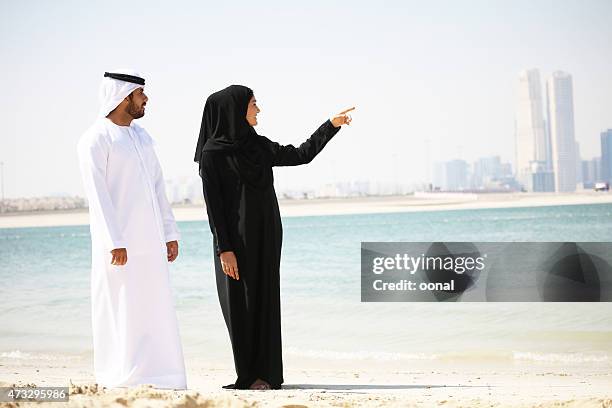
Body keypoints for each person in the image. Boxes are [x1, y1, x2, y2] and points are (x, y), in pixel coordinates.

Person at [194, 85, 353, 390]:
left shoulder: (258, 146)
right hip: (234, 244)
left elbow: (301, 155)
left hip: (267, 237)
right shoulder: (212, 155)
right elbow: (214, 207)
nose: (259, 109)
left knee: (265, 301)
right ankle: (248, 375)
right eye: (253, 104)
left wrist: (331, 125)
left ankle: (267, 374)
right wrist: (224, 248)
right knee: (240, 306)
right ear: (235, 110)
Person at [77, 69, 186, 389]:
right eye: (141, 94)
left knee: (155, 308)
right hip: (118, 246)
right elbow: (97, 196)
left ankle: (162, 376)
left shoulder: (142, 137)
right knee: (120, 308)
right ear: (124, 96)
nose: (146, 99)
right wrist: (115, 241)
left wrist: (170, 233)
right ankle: (119, 375)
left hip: (150, 243)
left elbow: (157, 188)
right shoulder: (95, 138)